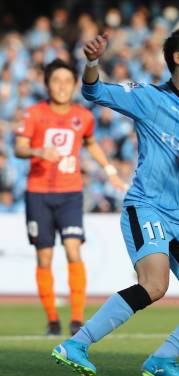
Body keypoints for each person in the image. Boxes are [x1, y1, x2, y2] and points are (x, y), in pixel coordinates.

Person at [51, 27, 179, 376]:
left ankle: (162, 359)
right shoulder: (149, 98)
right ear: (178, 58)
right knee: (155, 285)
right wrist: (93, 62)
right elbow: (92, 90)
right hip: (148, 208)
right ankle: (76, 344)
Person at [15, 59, 127, 336]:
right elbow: (19, 147)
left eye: (67, 81)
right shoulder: (34, 114)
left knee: (74, 249)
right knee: (44, 257)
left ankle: (77, 319)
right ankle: (52, 320)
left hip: (70, 193)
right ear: (47, 84)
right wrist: (40, 152)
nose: (62, 87)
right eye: (56, 81)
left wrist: (110, 170)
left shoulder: (83, 116)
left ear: (75, 85)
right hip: (38, 194)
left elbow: (90, 142)